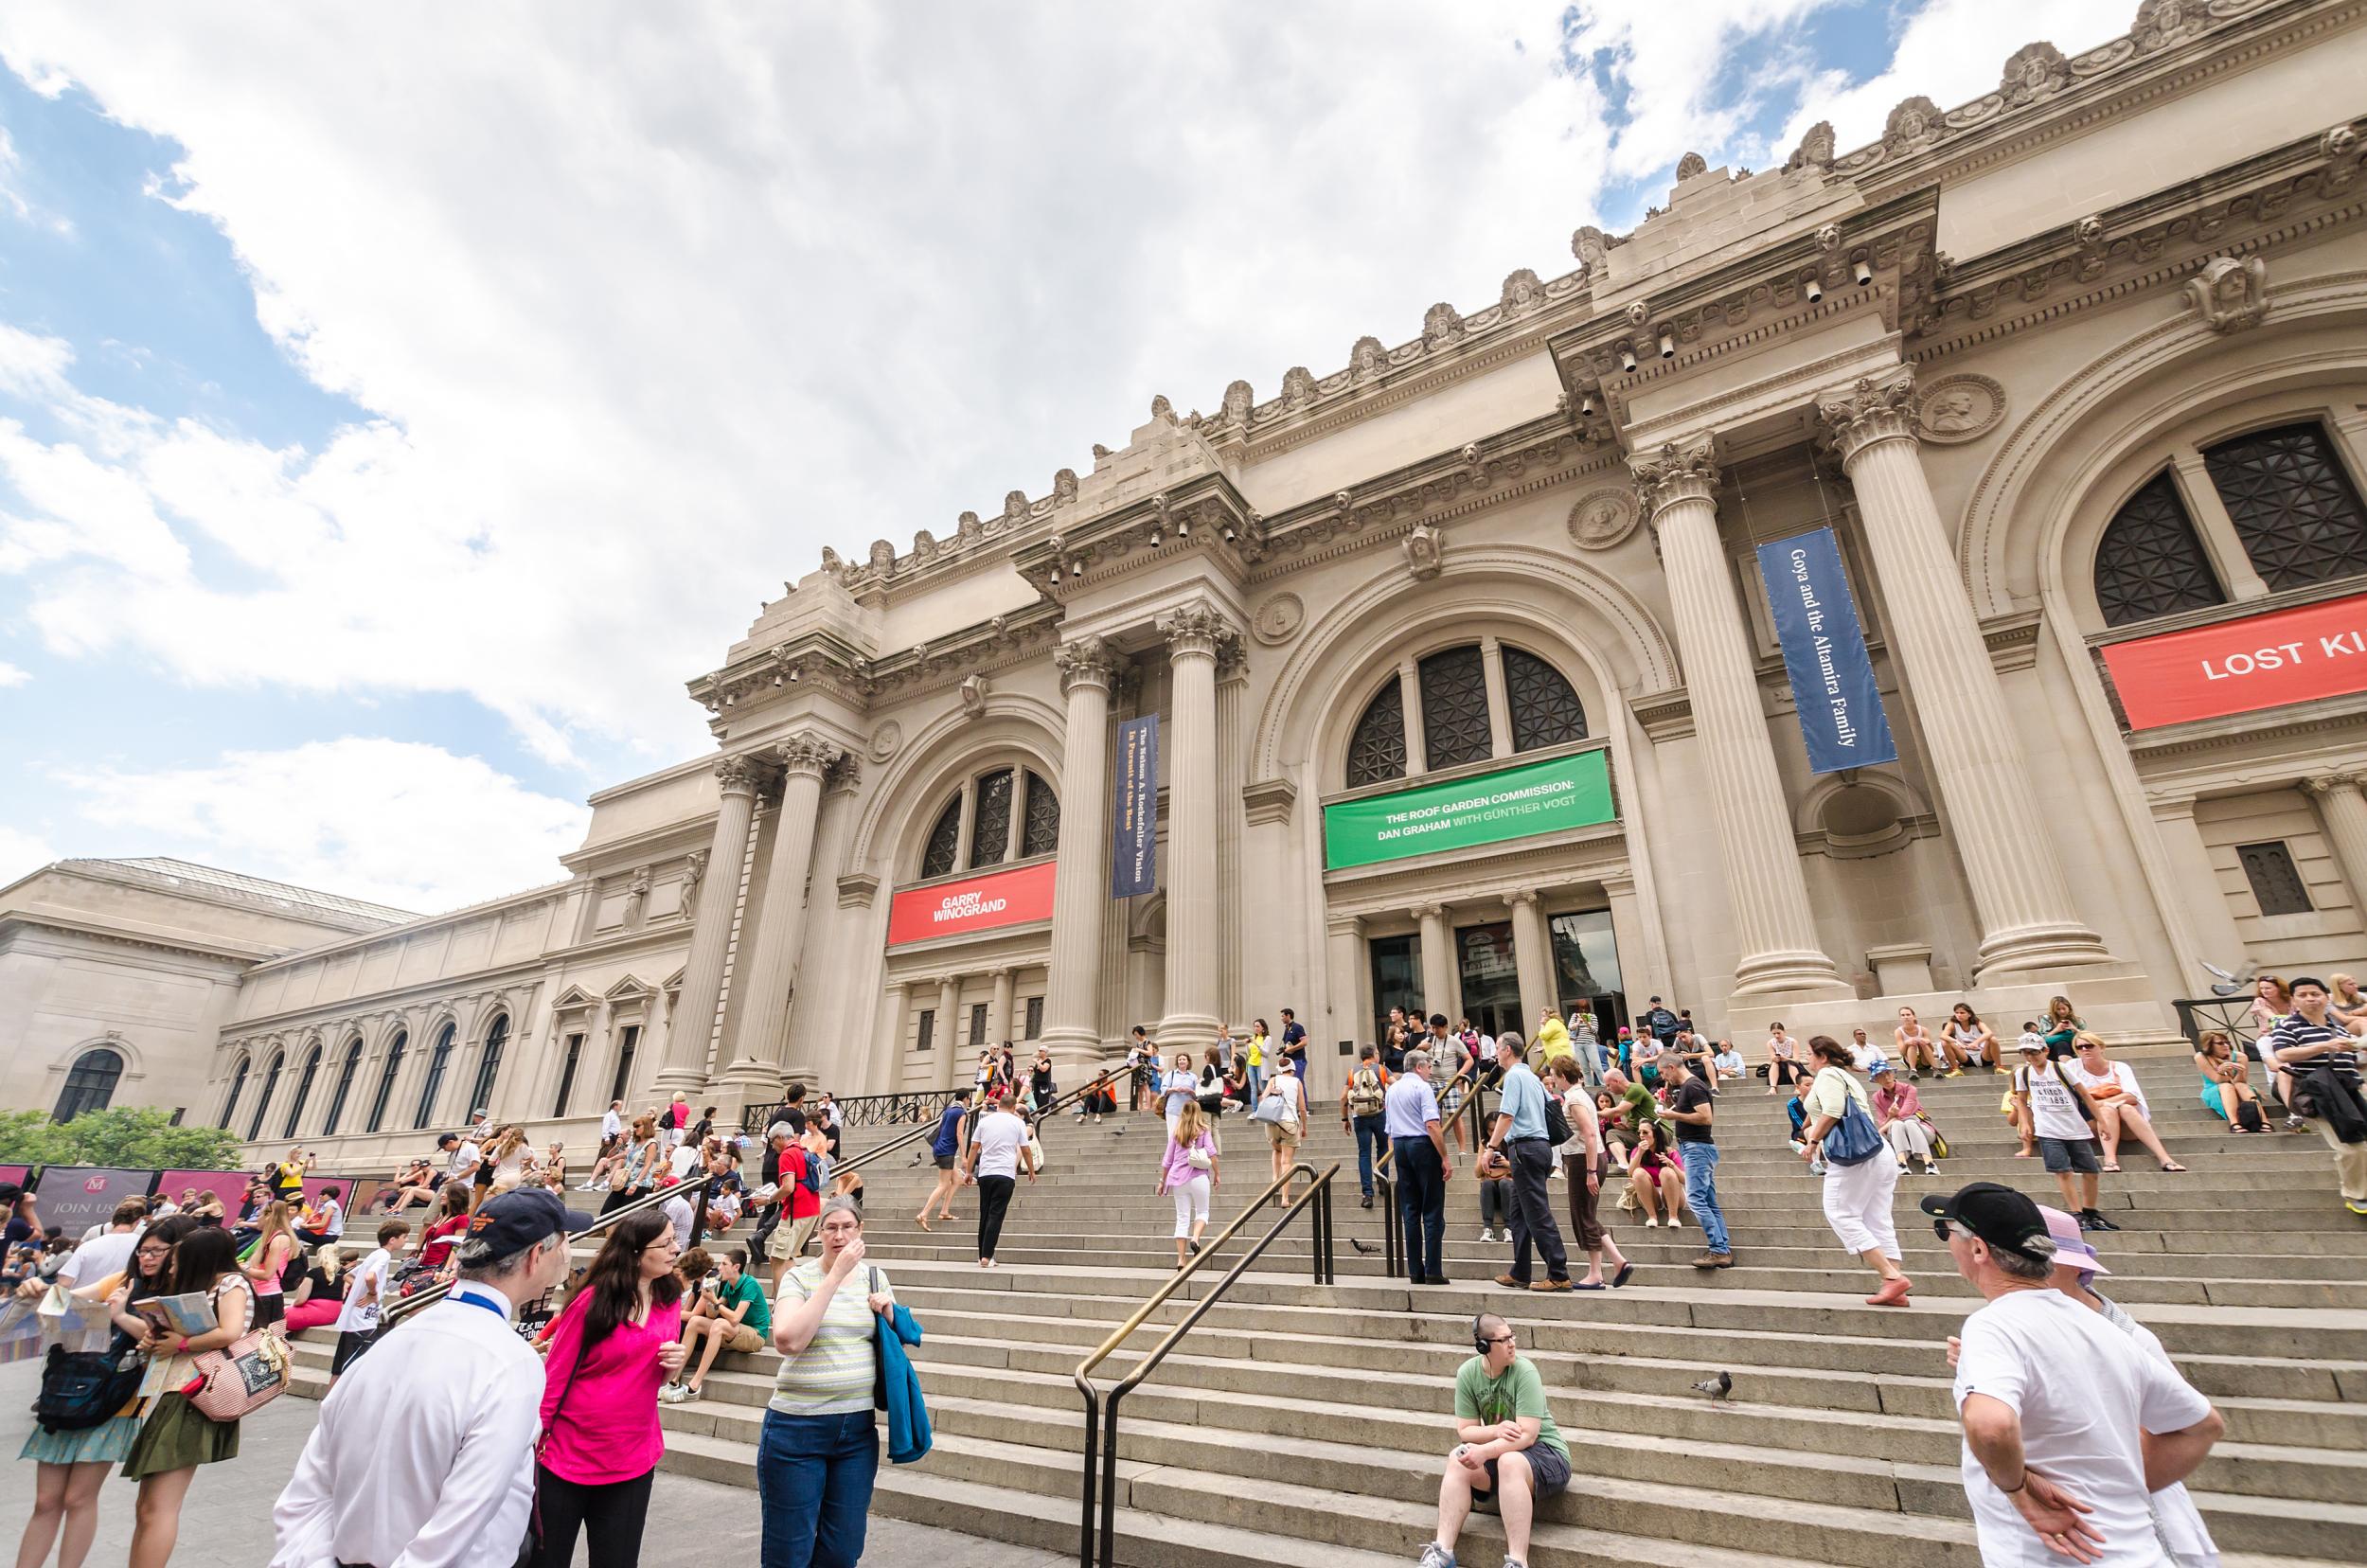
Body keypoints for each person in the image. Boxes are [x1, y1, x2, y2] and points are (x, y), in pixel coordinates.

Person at [269, 1188, 581, 1568]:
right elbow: (468, 1509)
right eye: (562, 1245)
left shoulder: (388, 1344)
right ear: (536, 1256)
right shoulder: (510, 1362)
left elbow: (308, 1491)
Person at [1922, 1181, 2223, 1566]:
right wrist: (2113, 1493)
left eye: (1945, 1232)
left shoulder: (1993, 1326)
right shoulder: (2104, 1328)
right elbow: (2203, 1425)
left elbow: (1991, 1427)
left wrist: (2017, 1491)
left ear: (1978, 1248)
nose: (1946, 1245)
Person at [2019, 1206, 2225, 1567]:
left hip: (2128, 1516)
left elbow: (2180, 1430)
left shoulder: (2129, 1338)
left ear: (2062, 1266)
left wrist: (2117, 1495)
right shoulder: (2033, 1328)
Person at [15, 1217, 178, 1568]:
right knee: (46, 1500)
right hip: (68, 1391)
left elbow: (161, 1344)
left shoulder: (176, 1294)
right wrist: (39, 1290)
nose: (148, 1258)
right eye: (144, 1250)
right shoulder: (122, 1281)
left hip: (114, 1400)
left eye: (157, 1251)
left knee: (78, 1498)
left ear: (175, 1253)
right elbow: (65, 1301)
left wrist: (119, 1314)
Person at [530, 1208, 685, 1568]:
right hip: (567, 1459)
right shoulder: (592, 1302)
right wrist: (532, 1442)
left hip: (632, 1458)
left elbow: (652, 1376)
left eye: (674, 1240)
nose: (676, 1249)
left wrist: (672, 1368)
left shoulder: (670, 1298)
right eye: (665, 1243)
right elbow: (554, 1377)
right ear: (635, 1252)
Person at [760, 1198, 894, 1568]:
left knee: (843, 1548)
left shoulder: (874, 1277)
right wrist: (834, 1277)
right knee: (790, 1549)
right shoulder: (798, 1277)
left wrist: (890, 1312)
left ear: (860, 1231)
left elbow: (892, 1341)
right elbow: (787, 1340)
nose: (839, 1236)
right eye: (830, 1228)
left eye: (847, 1227)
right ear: (817, 1233)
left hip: (856, 1431)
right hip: (796, 1429)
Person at [121, 1225, 253, 1568]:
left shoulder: (232, 1285)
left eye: (178, 1261)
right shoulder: (206, 1289)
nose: (173, 1269)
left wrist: (179, 1344)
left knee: (158, 1507)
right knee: (147, 1506)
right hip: (176, 1392)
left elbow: (230, 1332)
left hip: (196, 1395)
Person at [1416, 1312, 1572, 1568]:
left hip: (1548, 1455)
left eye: (1512, 1336)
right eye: (1504, 1339)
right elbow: (1466, 1430)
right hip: (1502, 1455)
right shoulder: (1468, 1373)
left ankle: (1518, 1562)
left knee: (1510, 1461)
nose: (1512, 1343)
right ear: (1484, 1347)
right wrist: (1495, 1431)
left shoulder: (1525, 1371)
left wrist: (1486, 1451)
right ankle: (1443, 1553)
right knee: (1458, 1458)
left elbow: (1528, 1434)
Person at [1800, 1036, 1912, 1306]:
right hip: (1878, 1149)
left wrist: (1813, 1142)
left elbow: (1834, 1110)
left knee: (1839, 1211)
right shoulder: (1845, 1075)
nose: (1807, 1059)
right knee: (1878, 1218)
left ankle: (1891, 1276)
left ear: (1822, 1056)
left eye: (1809, 1054)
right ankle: (1893, 1286)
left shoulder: (1826, 1074)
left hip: (1854, 1155)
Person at [2263, 975, 2367, 1214]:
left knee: (2359, 1144)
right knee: (2350, 1146)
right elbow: (2284, 1055)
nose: (2310, 999)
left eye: (2315, 994)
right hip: (2322, 1093)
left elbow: (2350, 1063)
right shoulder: (2287, 1026)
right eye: (2303, 995)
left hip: (2349, 1089)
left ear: (2326, 997)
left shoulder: (2336, 1026)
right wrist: (2325, 1047)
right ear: (2294, 1001)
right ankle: (2356, 1194)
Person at [1483, 1033, 1570, 1293]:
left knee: (1537, 1213)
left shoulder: (1513, 1077)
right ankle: (1520, 1271)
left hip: (1526, 1148)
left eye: (1498, 1048)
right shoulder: (1533, 1077)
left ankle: (1559, 1273)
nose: (1496, 1053)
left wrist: (1490, 1147)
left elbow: (1507, 1115)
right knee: (1519, 1213)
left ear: (1508, 1050)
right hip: (1539, 1146)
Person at [2013, 1035, 2116, 1232]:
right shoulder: (2023, 1073)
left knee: (2090, 1170)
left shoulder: (2060, 1069)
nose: (2031, 1056)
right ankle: (2077, 1213)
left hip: (2073, 1126)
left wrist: (2101, 1121)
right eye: (2026, 1053)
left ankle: (2090, 1211)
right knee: (2062, 1171)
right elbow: (2022, 1100)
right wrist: (2025, 1124)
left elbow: (2084, 1094)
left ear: (2045, 1051)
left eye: (2034, 1052)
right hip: (2047, 1128)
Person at [1543, 1060, 1630, 1290]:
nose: (1553, 1079)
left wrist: (1590, 1171)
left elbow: (1590, 1134)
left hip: (1584, 1159)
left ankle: (1598, 1272)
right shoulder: (1579, 1095)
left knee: (1583, 1216)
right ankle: (1614, 1262)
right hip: (1587, 1158)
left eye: (1554, 1075)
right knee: (1586, 1214)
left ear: (1562, 1075)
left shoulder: (1574, 1099)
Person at [663, 1243, 772, 1407]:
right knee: (695, 1322)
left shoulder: (750, 1284)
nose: (719, 1267)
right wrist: (709, 1297)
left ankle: (694, 1386)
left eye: (724, 1264)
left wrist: (714, 1301)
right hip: (736, 1331)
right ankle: (672, 1380)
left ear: (736, 1267)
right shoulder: (728, 1285)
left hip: (756, 1335)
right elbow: (711, 1314)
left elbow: (735, 1318)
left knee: (720, 1324)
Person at [2070, 1035, 2187, 1174]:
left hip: (2127, 1126)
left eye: (2089, 1046)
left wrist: (2097, 1103)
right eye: (2079, 1047)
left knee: (2125, 1108)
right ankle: (2110, 1160)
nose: (2084, 1050)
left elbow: (2132, 1096)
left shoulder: (2120, 1067)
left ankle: (2165, 1158)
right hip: (2093, 1125)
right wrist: (2110, 1104)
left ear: (2101, 1048)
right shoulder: (2072, 1067)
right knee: (2108, 1110)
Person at [1387, 1049, 1452, 1287]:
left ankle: (1416, 1270)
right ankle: (1433, 1269)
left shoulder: (1392, 1089)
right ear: (1418, 1067)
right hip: (1422, 1144)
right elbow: (1432, 1125)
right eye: (1428, 1067)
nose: (1430, 1071)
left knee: (1410, 1211)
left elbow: (1390, 1129)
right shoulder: (1423, 1088)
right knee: (1433, 1209)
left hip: (1401, 1146)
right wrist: (1444, 1157)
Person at [1662, 1054, 1730, 1270]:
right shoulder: (1687, 1088)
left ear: (1672, 1067)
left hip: (1697, 1148)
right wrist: (1670, 1105)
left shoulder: (1693, 1086)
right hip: (1696, 1147)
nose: (1664, 1078)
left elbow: (1706, 1117)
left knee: (1696, 1199)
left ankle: (1718, 1249)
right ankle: (1721, 1248)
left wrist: (1674, 1117)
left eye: (1664, 1073)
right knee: (1708, 1200)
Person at [961, 1089, 1036, 1269]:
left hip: (986, 1172)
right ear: (1012, 1107)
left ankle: (982, 1256)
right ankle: (987, 1256)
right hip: (1005, 1173)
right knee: (996, 1215)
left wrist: (969, 1171)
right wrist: (1031, 1170)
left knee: (985, 1214)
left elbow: (974, 1148)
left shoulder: (985, 1121)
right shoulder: (1017, 1122)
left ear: (999, 1104)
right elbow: (1025, 1149)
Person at [329, 1221, 411, 1383]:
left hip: (359, 1320)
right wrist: (371, 1293)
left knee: (342, 1367)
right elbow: (370, 1276)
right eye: (404, 1236)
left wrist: (362, 1290)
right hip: (362, 1322)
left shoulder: (375, 1254)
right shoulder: (384, 1255)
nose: (406, 1240)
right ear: (392, 1240)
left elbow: (349, 1275)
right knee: (352, 1368)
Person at [1156, 1100, 1219, 1271]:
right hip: (1198, 1176)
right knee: (1203, 1212)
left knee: (1182, 1218)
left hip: (1178, 1178)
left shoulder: (1177, 1132)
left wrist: (1162, 1181)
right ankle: (1196, 1239)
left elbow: (1167, 1160)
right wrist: (1217, 1173)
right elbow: (1212, 1152)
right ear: (1198, 1112)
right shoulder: (1203, 1130)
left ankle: (1181, 1259)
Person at [1340, 1043, 1391, 1211]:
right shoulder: (1382, 1070)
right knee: (1383, 1148)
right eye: (1377, 1053)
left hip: (1360, 1117)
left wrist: (1344, 1119)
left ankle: (1367, 1194)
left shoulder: (1352, 1071)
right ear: (1374, 1054)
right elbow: (1395, 1085)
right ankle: (1383, 1184)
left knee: (1364, 1153)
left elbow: (1343, 1098)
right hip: (1379, 1114)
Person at [1255, 1057, 1310, 1205]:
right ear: (1292, 1069)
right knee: (1287, 1161)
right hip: (1289, 1123)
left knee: (1277, 1150)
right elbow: (1302, 1108)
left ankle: (1275, 1178)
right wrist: (1304, 1127)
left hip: (1272, 1122)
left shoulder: (1274, 1080)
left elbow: (1263, 1098)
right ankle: (1285, 1199)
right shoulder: (1296, 1082)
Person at [1871, 1064, 1940, 1176]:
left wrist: (1879, 1131)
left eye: (1888, 1074)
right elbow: (1882, 1122)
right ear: (1876, 1080)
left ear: (1893, 1074)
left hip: (1922, 1130)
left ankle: (1929, 1162)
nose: (1886, 1078)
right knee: (1897, 1124)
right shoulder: (1877, 1097)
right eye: (1881, 1076)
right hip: (1897, 1133)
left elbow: (1905, 1114)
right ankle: (1902, 1163)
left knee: (1909, 1122)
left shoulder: (1909, 1089)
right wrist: (1889, 1115)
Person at [240, 1200, 298, 1330]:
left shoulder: (278, 1239)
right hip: (263, 1295)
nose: (257, 1218)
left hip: (268, 1296)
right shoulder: (272, 1237)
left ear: (269, 1216)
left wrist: (243, 1268)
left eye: (260, 1214)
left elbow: (267, 1274)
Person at [2193, 1029, 2267, 1132]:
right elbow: (2217, 1080)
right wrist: (2222, 1071)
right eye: (2220, 1043)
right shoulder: (2201, 1057)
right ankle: (2234, 1123)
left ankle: (2265, 1121)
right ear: (2209, 1045)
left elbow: (2241, 1082)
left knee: (2241, 1086)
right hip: (2214, 1089)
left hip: (2240, 1089)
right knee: (2226, 1086)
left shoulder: (2241, 1057)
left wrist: (2240, 1072)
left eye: (2227, 1042)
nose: (2225, 1045)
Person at [1623, 1121, 1686, 1227]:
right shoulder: (1637, 1151)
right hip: (1650, 1194)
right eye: (1639, 1132)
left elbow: (1684, 1179)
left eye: (1645, 1132)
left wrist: (1672, 1165)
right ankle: (1652, 1216)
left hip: (1674, 1193)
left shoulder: (1670, 1152)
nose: (1641, 1136)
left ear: (1655, 1135)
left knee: (1666, 1171)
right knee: (1638, 1173)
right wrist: (1640, 1153)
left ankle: (1673, 1217)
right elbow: (1630, 1173)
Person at [601, 1115, 661, 1218]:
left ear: (646, 1127)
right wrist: (610, 1159)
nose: (635, 1129)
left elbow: (647, 1165)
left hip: (639, 1182)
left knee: (626, 1213)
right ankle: (602, 1230)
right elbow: (625, 1154)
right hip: (625, 1180)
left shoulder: (651, 1144)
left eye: (638, 1126)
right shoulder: (635, 1142)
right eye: (634, 1126)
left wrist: (636, 1183)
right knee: (607, 1209)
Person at [283, 1244, 347, 1335]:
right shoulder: (345, 1274)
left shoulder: (313, 1273)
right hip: (335, 1311)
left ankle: (285, 1331)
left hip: (316, 1310)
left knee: (280, 1315)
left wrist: (291, 1306)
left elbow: (301, 1300)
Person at [1946, 1002, 2001, 1072]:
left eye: (1962, 1013)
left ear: (1969, 1014)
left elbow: (1989, 1033)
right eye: (1956, 1013)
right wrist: (1957, 1042)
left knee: (1993, 1039)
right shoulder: (1953, 1023)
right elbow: (1943, 1035)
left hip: (1984, 1056)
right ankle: (1956, 1070)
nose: (1959, 1015)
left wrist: (1976, 1043)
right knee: (1945, 1042)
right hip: (1967, 1057)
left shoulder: (1977, 1022)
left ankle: (1999, 1067)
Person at [293, 1185, 344, 1249]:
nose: (320, 1196)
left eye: (323, 1194)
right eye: (320, 1194)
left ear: (330, 1196)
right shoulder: (328, 1204)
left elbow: (322, 1224)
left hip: (329, 1236)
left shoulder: (330, 1206)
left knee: (298, 1232)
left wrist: (306, 1226)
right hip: (325, 1234)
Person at [1895, 1007, 1941, 1078]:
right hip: (1909, 1059)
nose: (1906, 1017)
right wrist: (1906, 1043)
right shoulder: (1898, 1031)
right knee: (1911, 1044)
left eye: (1908, 1014)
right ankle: (1912, 1070)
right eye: (1903, 1015)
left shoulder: (1923, 1029)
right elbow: (1902, 1053)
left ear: (1914, 1016)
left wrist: (1927, 1042)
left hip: (1925, 1059)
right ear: (1900, 1018)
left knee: (1922, 1043)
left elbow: (1931, 1050)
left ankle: (1936, 1069)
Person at [1277, 1008, 1308, 1081]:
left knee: (1298, 1082)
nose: (1281, 1018)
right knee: (1290, 1083)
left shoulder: (1297, 1027)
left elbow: (1304, 1042)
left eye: (1282, 1016)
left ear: (1288, 1016)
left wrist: (1291, 1049)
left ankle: (1302, 1093)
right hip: (1288, 1061)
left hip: (1297, 1060)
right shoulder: (1287, 1028)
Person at [1241, 1020, 1268, 1101]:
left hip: (1260, 1065)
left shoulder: (1267, 1038)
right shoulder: (1252, 1038)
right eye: (1254, 1026)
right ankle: (1255, 1110)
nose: (1255, 1028)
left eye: (1258, 1026)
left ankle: (1265, 1109)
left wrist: (1256, 1044)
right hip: (1251, 1064)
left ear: (1263, 1028)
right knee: (1253, 1089)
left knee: (1262, 1087)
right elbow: (1248, 1054)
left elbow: (1266, 1053)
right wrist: (1246, 1045)